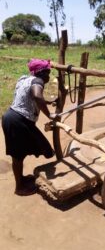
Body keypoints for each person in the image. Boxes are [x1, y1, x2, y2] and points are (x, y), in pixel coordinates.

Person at [2, 59, 57, 196]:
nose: (48, 77)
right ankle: (19, 188)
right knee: (18, 155)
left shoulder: (25, 79)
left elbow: (30, 96)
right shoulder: (38, 81)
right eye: (47, 73)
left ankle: (21, 179)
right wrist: (49, 115)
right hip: (18, 121)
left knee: (22, 151)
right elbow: (37, 96)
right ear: (40, 73)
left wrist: (49, 102)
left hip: (13, 117)